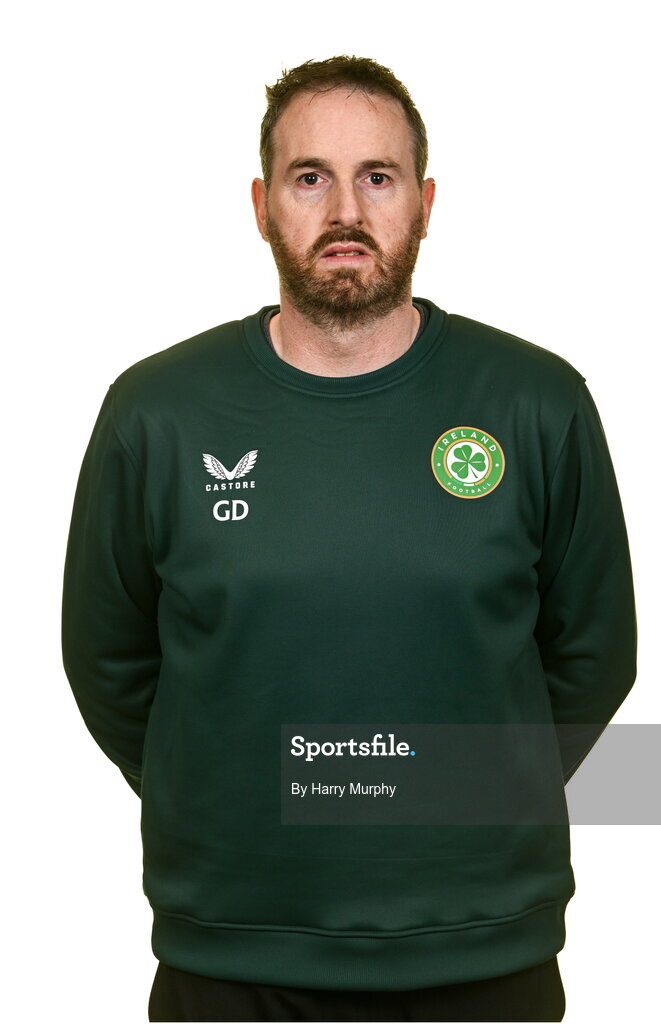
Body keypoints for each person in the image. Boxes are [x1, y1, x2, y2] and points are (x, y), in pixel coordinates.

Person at [61, 55, 637, 1023]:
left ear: (424, 204)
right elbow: (109, 661)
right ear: (261, 206)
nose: (345, 210)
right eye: (308, 177)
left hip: (484, 953)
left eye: (377, 176)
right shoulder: (156, 413)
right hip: (230, 956)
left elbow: (593, 657)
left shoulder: (537, 403)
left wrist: (450, 795)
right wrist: (224, 785)